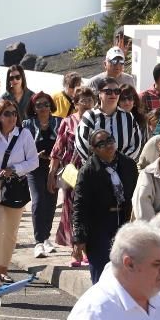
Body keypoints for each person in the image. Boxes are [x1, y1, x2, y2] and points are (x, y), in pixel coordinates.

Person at [0, 99, 37, 282]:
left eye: (14, 113)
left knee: (10, 230)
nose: (11, 117)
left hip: (13, 186)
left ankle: (4, 269)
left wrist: (15, 169)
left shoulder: (24, 134)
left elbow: (34, 161)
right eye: (7, 113)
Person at [73, 130, 139, 282]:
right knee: (101, 272)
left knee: (126, 270)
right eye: (101, 144)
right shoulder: (88, 171)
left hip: (125, 221)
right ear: (94, 149)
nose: (108, 145)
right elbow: (80, 205)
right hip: (99, 225)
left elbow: (137, 194)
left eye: (110, 140)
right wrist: (79, 238)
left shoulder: (128, 164)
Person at [52, 85, 96, 263]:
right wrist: (52, 173)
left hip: (93, 169)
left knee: (90, 209)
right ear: (75, 103)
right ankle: (75, 250)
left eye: (90, 100)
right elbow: (58, 149)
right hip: (72, 170)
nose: (86, 103)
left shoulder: (97, 120)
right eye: (82, 100)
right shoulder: (67, 121)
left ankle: (87, 248)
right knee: (72, 209)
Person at [24, 92, 60, 258]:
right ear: (34, 108)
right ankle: (38, 241)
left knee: (51, 201)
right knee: (38, 201)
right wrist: (34, 156)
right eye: (39, 105)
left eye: (46, 104)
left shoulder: (59, 122)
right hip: (34, 167)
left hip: (54, 167)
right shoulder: (27, 124)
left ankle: (46, 238)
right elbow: (22, 147)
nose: (43, 108)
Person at [76, 77, 144, 163]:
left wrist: (120, 163)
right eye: (108, 92)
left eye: (117, 91)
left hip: (122, 170)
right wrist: (100, 164)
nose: (113, 95)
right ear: (100, 94)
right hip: (96, 171)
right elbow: (81, 145)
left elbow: (135, 144)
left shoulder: (128, 117)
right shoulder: (90, 116)